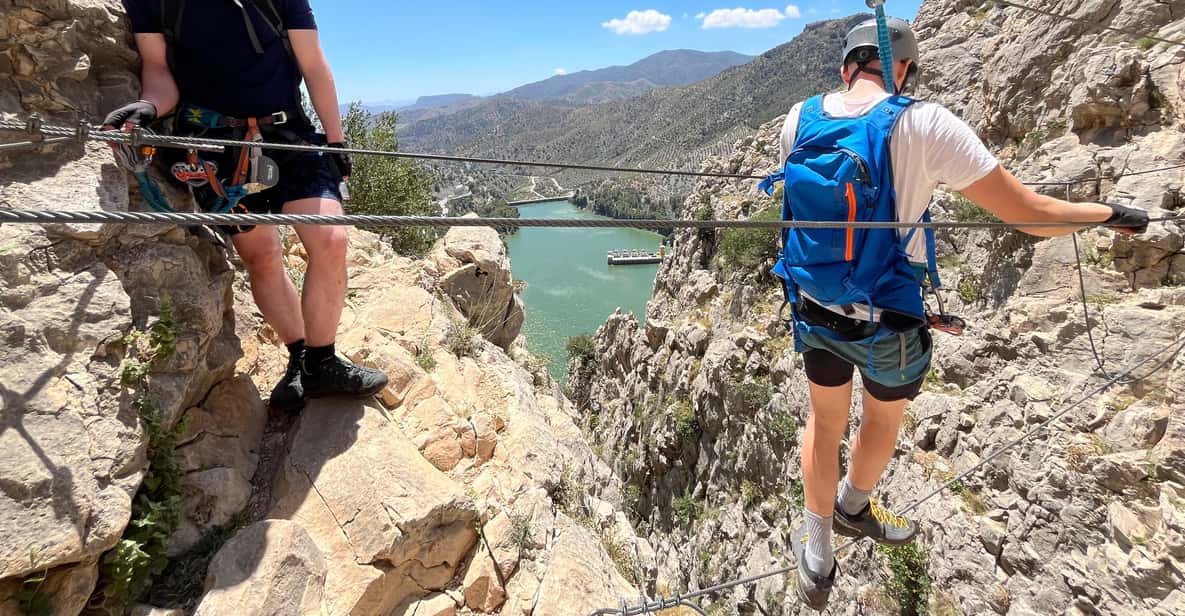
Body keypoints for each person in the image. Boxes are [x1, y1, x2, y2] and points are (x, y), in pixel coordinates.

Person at [774, 17, 1149, 610]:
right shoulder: (925, 122)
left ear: (846, 67)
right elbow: (1029, 214)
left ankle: (817, 560)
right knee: (881, 420)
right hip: (889, 323)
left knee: (824, 425)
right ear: (904, 68)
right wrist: (1109, 214)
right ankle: (853, 505)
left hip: (815, 309)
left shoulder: (798, 118)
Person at [104, 0, 389, 413]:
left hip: (288, 136)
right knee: (262, 257)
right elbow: (158, 70)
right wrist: (150, 106)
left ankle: (321, 361)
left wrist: (335, 140)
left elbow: (313, 65)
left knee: (331, 239)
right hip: (216, 149)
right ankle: (300, 356)